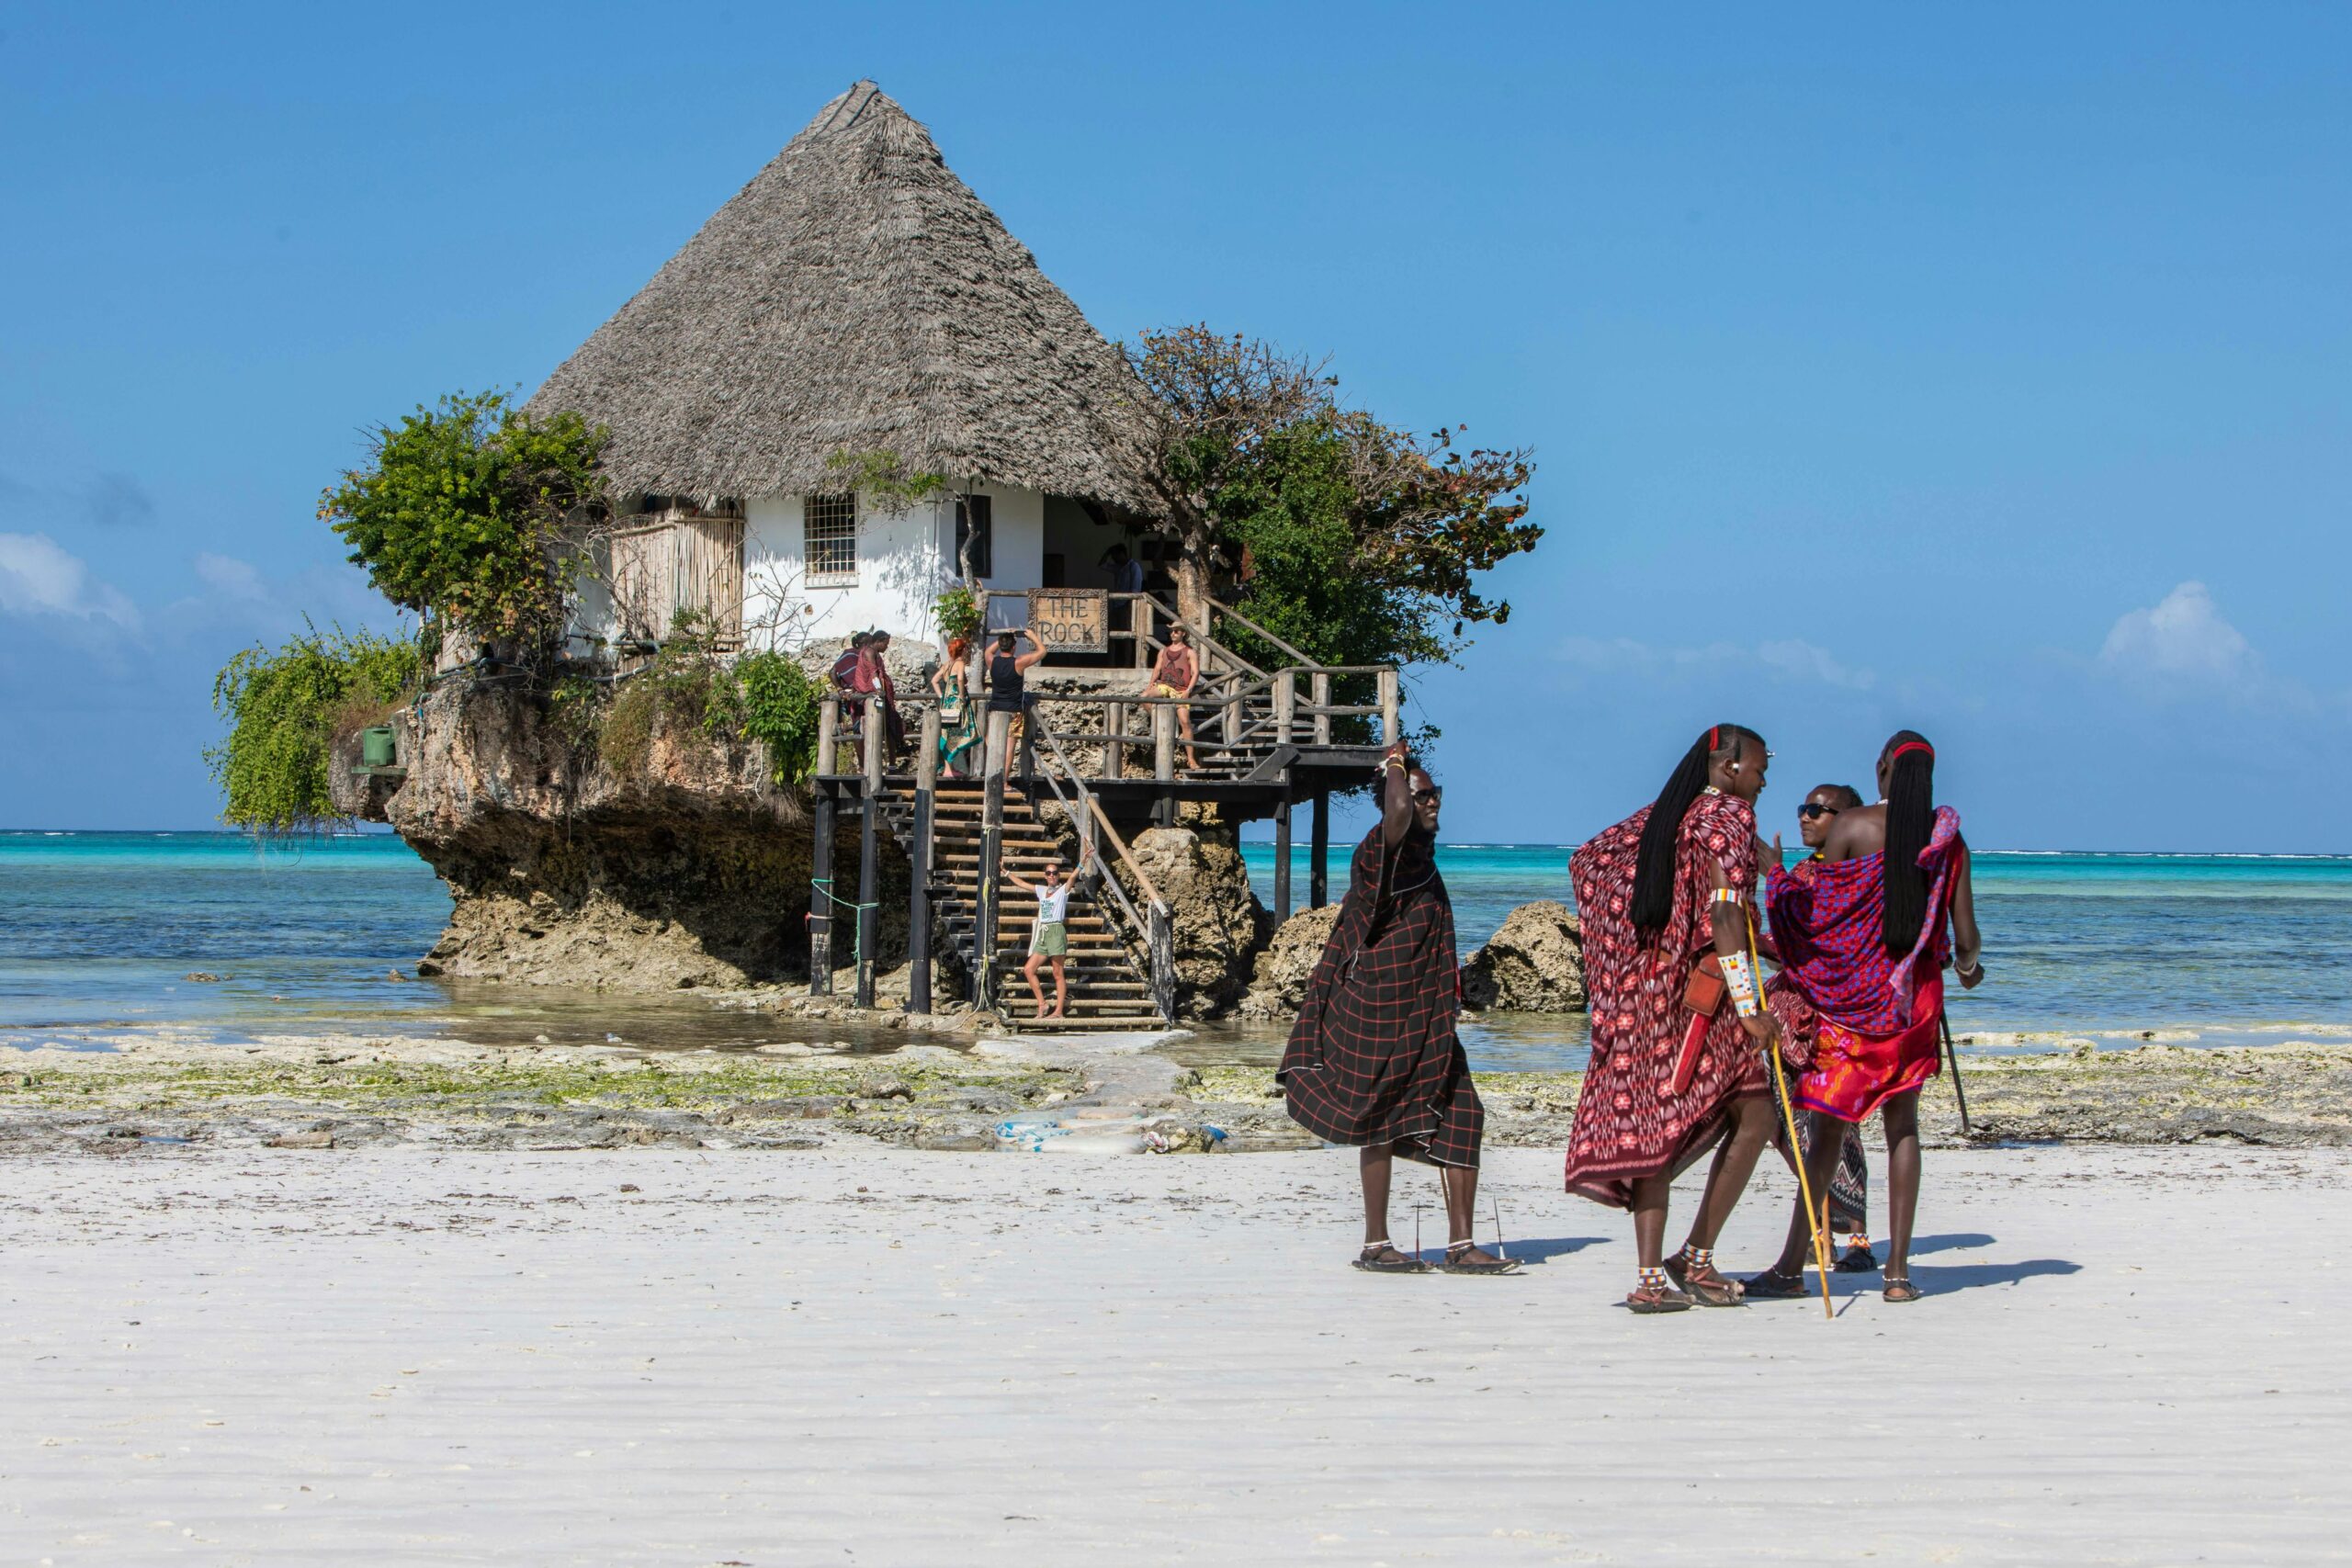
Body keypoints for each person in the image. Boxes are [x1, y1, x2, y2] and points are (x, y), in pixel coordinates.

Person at [1563, 724, 1793, 1313]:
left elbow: (1589, 861)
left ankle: (1652, 1278)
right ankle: (1695, 1258)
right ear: (1728, 766)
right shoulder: (1729, 819)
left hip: (1649, 993)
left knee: (1657, 1125)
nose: (1765, 780)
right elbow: (1723, 920)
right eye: (1760, 769)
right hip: (1705, 999)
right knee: (1757, 1110)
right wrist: (1750, 1010)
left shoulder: (1671, 814)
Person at [1747, 732, 1983, 1305]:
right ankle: (1898, 1276)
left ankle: (1787, 1269)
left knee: (1826, 1131)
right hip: (1916, 1003)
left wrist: (1775, 876)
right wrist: (1967, 968)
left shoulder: (1850, 828)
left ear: (1881, 771)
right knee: (1903, 1129)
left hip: (1852, 1006)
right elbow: (1967, 941)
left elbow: (1815, 922)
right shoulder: (1950, 841)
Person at [1278, 741, 1516, 1275]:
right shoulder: (1378, 853)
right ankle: (1375, 1244)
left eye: (1437, 794)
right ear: (1395, 800)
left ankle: (1460, 1245)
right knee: (1378, 1121)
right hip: (1376, 1007)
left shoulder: (1420, 859)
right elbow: (1400, 811)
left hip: (1425, 1013)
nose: (1433, 803)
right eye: (1423, 795)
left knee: (1462, 1114)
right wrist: (1394, 762)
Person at [1762, 784, 1877, 1271]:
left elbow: (1812, 942)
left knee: (1836, 1124)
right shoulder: (1808, 871)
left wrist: (1772, 873)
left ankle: (1857, 1239)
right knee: (1788, 1125)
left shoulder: (1853, 876)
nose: (1805, 817)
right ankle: (1822, 1228)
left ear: (1848, 818)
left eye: (1816, 810)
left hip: (1833, 1012)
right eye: (1802, 808)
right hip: (1791, 1011)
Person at [1007, 853, 1088, 1021]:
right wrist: (1005, 872)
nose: (1052, 875)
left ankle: (1058, 1011)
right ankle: (1042, 1004)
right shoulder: (1042, 890)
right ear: (1045, 875)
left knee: (1057, 973)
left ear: (1058, 875)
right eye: (1049, 873)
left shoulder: (1062, 890)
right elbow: (1022, 884)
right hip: (1043, 933)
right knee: (1029, 970)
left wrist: (1082, 862)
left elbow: (1073, 877)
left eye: (1055, 873)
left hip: (1056, 931)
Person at [985, 626, 1049, 768]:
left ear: (1001, 646)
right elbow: (1042, 651)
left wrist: (1004, 635)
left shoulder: (992, 661)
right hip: (1014, 710)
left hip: (996, 708)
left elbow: (989, 651)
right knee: (1009, 746)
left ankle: (992, 772)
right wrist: (1032, 636)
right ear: (1013, 648)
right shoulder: (1018, 663)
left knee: (992, 741)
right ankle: (1004, 781)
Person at [1147, 623, 1203, 772]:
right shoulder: (1163, 651)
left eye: (1176, 631)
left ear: (1183, 633)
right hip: (1165, 685)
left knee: (1185, 721)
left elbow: (1195, 673)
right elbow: (1157, 668)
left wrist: (1188, 690)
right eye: (1171, 631)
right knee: (1144, 697)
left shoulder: (1190, 652)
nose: (1173, 634)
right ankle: (1159, 720)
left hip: (1180, 690)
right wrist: (1151, 684)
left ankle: (1191, 759)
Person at [930, 635, 978, 779]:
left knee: (947, 733)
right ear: (962, 650)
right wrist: (962, 696)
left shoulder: (947, 665)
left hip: (947, 701)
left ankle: (948, 768)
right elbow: (960, 678)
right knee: (961, 731)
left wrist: (941, 696)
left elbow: (934, 680)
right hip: (956, 701)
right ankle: (949, 768)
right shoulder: (959, 663)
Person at [851, 630, 903, 754]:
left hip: (881, 692)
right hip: (873, 694)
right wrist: (879, 689)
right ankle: (874, 764)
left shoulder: (874, 653)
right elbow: (873, 672)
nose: (886, 646)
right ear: (879, 641)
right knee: (877, 728)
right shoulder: (869, 652)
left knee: (891, 727)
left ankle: (891, 764)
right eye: (886, 643)